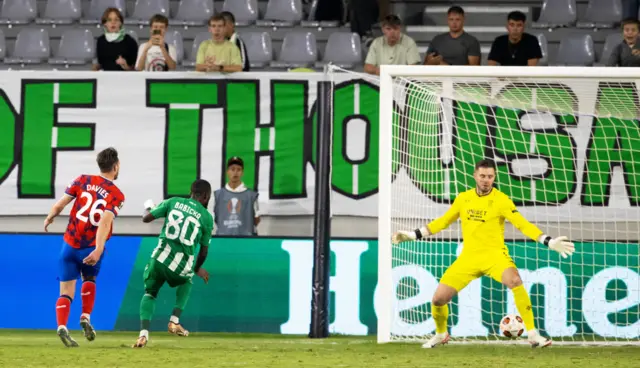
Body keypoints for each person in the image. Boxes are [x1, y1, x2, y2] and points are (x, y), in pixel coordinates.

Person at [392, 159, 575, 349]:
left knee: (515, 281)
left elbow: (522, 224)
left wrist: (548, 241)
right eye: (482, 176)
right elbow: (443, 222)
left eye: (490, 176)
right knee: (438, 299)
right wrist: (413, 235)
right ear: (475, 176)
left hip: (495, 257)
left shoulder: (501, 200)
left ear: (494, 177)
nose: (486, 180)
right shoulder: (464, 199)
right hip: (468, 258)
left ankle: (533, 333)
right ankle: (440, 334)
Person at [44, 147, 125, 347]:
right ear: (115, 167)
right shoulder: (116, 194)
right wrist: (98, 249)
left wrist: (50, 216)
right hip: (89, 246)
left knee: (65, 292)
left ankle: (62, 326)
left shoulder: (82, 180)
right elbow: (105, 222)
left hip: (69, 245)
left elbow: (61, 204)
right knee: (89, 278)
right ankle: (86, 316)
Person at [133, 179, 214, 348]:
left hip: (158, 259)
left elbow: (146, 219)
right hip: (180, 265)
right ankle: (174, 321)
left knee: (150, 293)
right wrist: (196, 268)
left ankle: (143, 335)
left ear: (190, 192)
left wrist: (149, 208)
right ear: (206, 197)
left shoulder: (173, 201)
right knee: (187, 279)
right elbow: (204, 251)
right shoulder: (206, 217)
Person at [212, 157, 260, 236]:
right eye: (232, 169)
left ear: (242, 172)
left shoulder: (252, 195)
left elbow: (257, 219)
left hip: (246, 241)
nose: (235, 172)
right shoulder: (217, 195)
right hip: (223, 240)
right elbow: (214, 219)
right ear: (227, 172)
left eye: (238, 169)